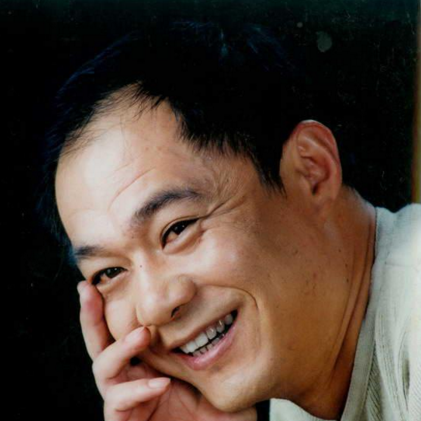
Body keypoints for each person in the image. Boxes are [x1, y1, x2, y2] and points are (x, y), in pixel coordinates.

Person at [37, 20, 420, 421]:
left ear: (312, 172)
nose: (153, 306)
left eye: (177, 229)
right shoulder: (302, 375)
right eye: (110, 272)